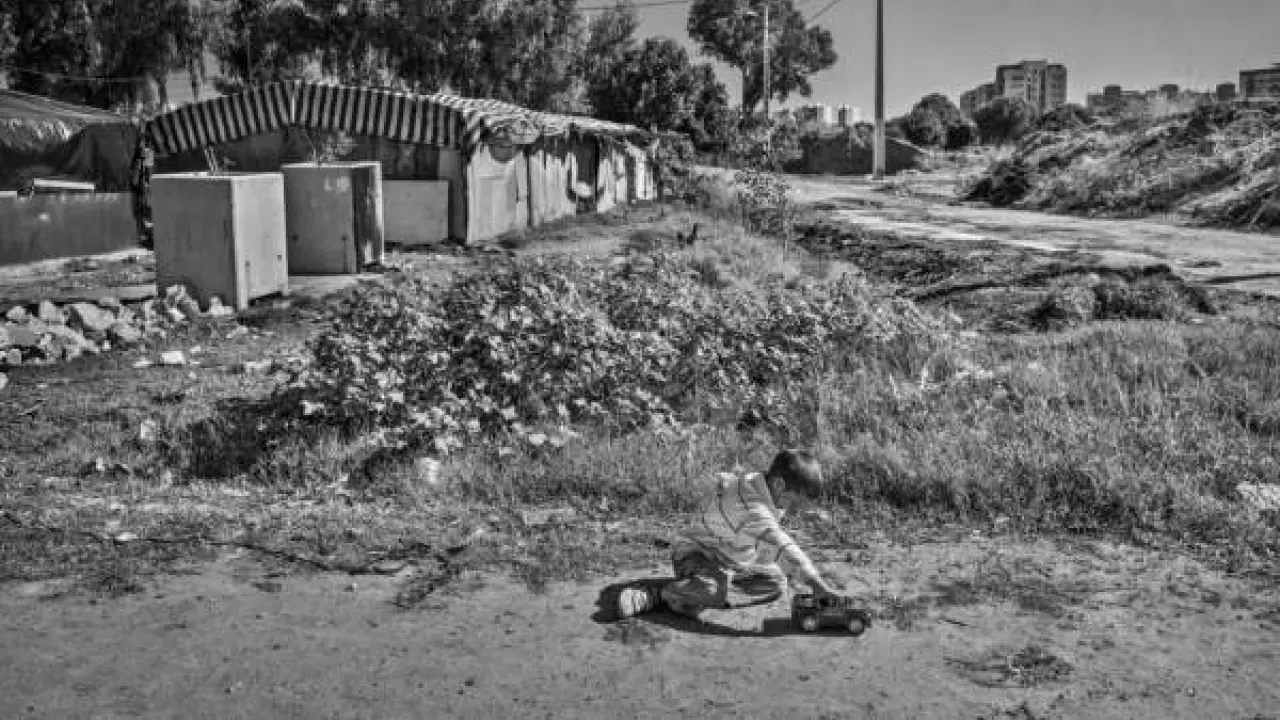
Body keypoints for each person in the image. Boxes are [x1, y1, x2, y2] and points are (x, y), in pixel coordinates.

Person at [616, 449, 843, 621]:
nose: (794, 511)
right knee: (714, 589)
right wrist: (817, 585)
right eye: (794, 504)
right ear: (779, 485)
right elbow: (779, 544)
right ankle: (657, 594)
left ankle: (694, 595)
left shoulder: (763, 485)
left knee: (775, 583)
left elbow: (768, 542)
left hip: (732, 562)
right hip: (697, 555)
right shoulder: (749, 506)